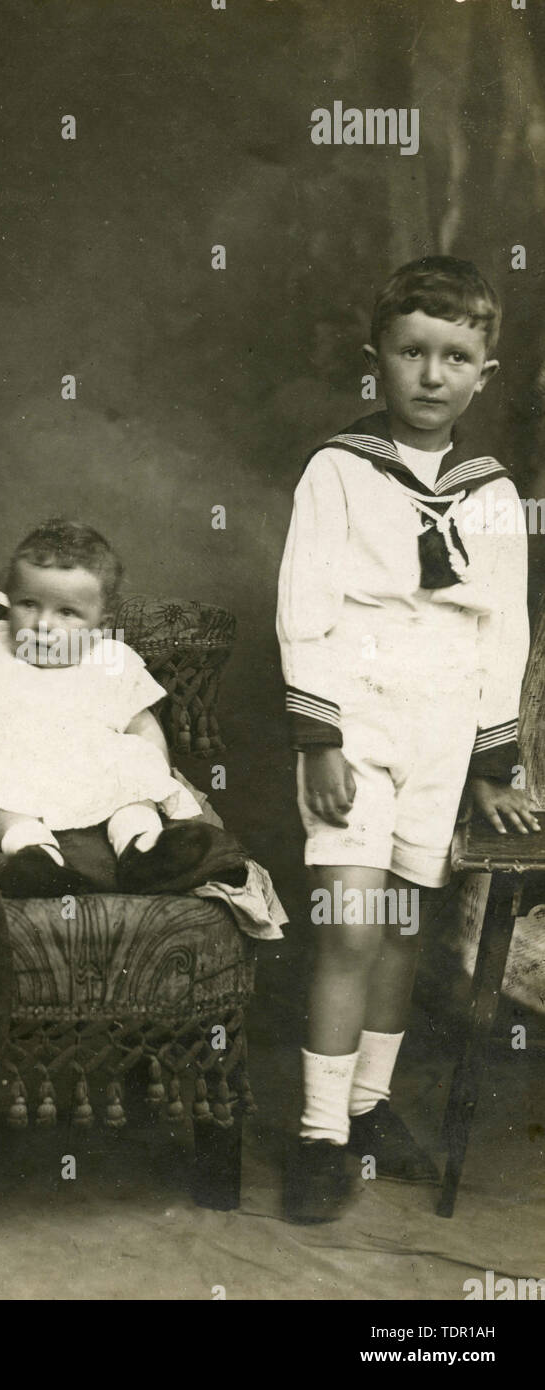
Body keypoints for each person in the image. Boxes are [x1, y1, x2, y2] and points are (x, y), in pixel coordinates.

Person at [276, 256, 537, 1223]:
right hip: (354, 722)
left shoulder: (492, 491)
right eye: (411, 352)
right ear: (376, 361)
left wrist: (488, 761)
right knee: (347, 922)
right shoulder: (337, 472)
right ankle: (317, 1136)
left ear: (484, 373)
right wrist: (318, 736)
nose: (431, 375)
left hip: (437, 732)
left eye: (455, 356)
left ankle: (369, 1105)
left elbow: (501, 624)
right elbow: (301, 608)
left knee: (396, 929)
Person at [0, 518, 230, 897]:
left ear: (100, 622)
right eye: (28, 604)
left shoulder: (111, 658)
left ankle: (143, 849)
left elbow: (143, 728)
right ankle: (35, 856)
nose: (42, 624)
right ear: (10, 598)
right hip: (9, 762)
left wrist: (153, 775)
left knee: (132, 781)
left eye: (67, 613)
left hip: (93, 763)